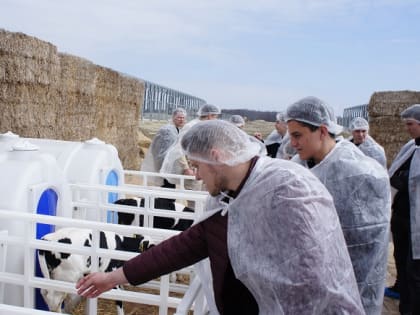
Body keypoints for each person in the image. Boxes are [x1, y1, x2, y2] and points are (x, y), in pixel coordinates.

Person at [76, 120, 365, 315]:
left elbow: (312, 276)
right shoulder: (226, 194)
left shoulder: (287, 188)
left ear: (216, 156)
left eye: (197, 165)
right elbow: (190, 243)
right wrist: (115, 277)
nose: (197, 175)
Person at [285, 96, 391, 315]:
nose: (292, 143)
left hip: (353, 282)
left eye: (298, 135)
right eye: (291, 136)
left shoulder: (361, 172)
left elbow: (366, 244)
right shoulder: (298, 166)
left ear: (322, 131)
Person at [388, 104, 420, 315]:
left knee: (414, 268)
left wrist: (402, 180)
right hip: (402, 214)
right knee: (400, 256)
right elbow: (395, 175)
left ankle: (411, 307)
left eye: (410, 124)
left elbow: (407, 180)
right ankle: (402, 291)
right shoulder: (411, 147)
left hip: (416, 219)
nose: (407, 128)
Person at [140, 107, 186, 187]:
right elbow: (162, 151)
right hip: (164, 166)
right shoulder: (167, 130)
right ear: (173, 117)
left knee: (169, 188)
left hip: (168, 166)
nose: (181, 120)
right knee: (166, 189)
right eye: (179, 117)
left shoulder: (176, 129)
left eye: (183, 118)